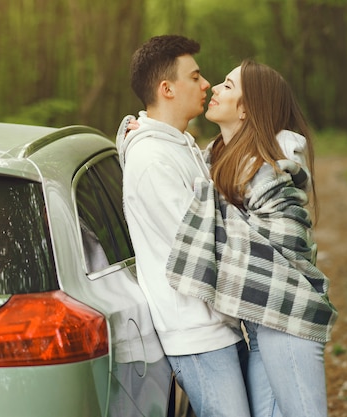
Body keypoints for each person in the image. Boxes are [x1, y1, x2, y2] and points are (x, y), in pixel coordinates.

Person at [165, 59, 338, 417]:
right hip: (258, 326)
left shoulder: (269, 169)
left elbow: (288, 244)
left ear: (246, 109)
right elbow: (179, 169)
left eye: (228, 86)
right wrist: (140, 130)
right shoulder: (217, 157)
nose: (214, 88)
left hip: (285, 318)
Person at [116, 35, 251, 417]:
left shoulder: (179, 145)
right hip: (195, 331)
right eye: (195, 77)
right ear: (167, 89)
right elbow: (197, 246)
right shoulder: (152, 160)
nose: (206, 84)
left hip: (217, 322)